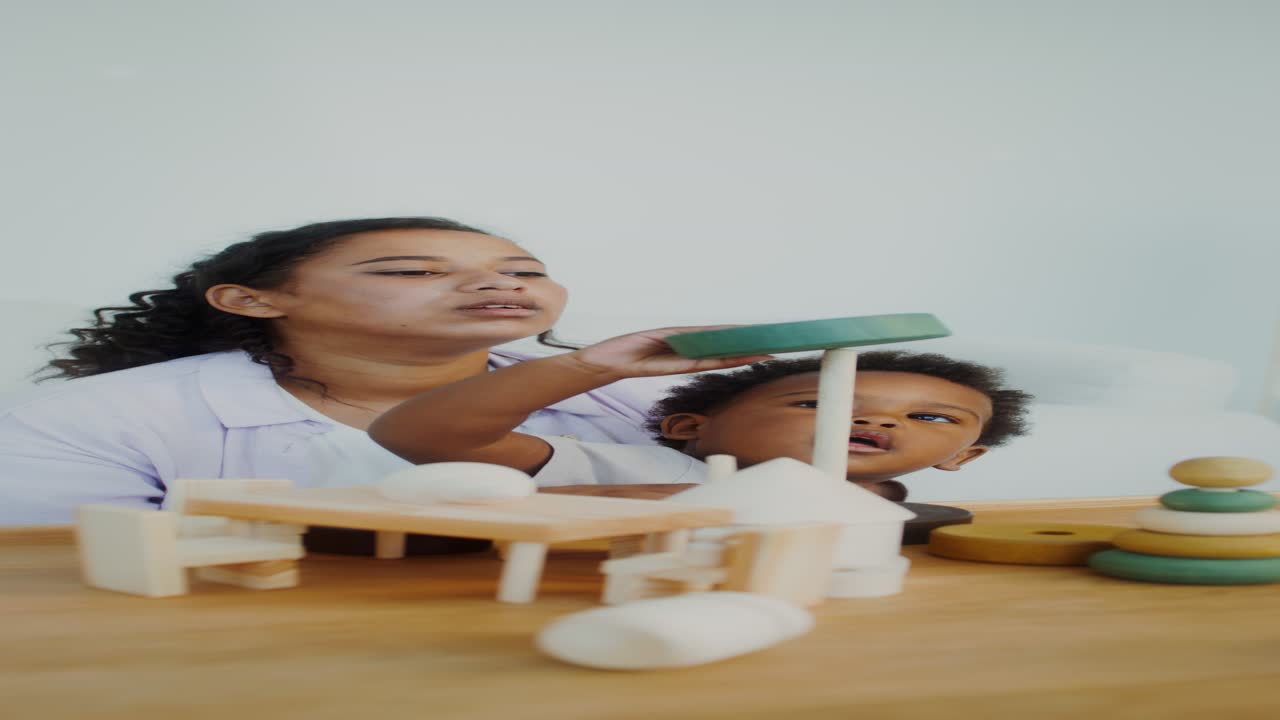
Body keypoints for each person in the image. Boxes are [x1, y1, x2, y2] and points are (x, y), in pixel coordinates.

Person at [0, 217, 675, 526]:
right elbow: (53, 574)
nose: (495, 284)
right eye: (413, 271)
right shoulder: (86, 421)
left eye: (524, 272)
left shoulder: (644, 395)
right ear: (252, 299)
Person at [368, 328, 1033, 500]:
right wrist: (592, 367)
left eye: (936, 420)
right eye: (814, 402)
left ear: (962, 458)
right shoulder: (620, 465)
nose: (886, 424)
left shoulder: (893, 506)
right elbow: (416, 433)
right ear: (690, 426)